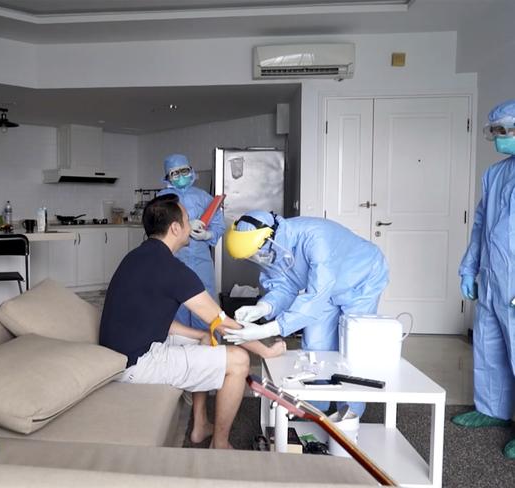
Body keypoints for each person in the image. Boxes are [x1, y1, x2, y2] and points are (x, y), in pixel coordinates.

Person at [99, 194, 282, 449]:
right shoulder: (173, 270)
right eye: (187, 220)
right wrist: (266, 349)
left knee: (203, 336)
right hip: (138, 365)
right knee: (239, 360)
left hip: (123, 355)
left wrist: (199, 335)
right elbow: (222, 322)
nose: (193, 224)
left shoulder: (135, 257)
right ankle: (220, 443)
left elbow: (152, 316)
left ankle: (199, 426)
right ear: (175, 228)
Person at [222, 211, 389, 416]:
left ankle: (349, 414)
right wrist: (263, 307)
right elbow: (283, 287)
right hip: (324, 290)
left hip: (362, 279)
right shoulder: (273, 247)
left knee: (352, 349)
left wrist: (267, 329)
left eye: (255, 252)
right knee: (315, 347)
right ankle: (315, 409)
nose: (256, 258)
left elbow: (315, 297)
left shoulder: (315, 238)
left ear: (269, 237)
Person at [453, 99, 515, 459]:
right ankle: (491, 409)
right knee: (489, 347)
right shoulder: (495, 174)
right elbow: (480, 226)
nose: (498, 139)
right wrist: (468, 268)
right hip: (492, 277)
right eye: (496, 131)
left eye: (505, 130)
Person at [158, 154, 226, 331]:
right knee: (174, 302)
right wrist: (185, 226)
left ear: (192, 171)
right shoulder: (163, 200)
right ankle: (180, 348)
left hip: (200, 260)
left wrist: (207, 234)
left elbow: (219, 223)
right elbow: (158, 228)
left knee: (205, 302)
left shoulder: (204, 197)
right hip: (173, 258)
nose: (180, 176)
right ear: (167, 177)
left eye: (184, 171)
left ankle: (208, 346)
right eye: (175, 173)